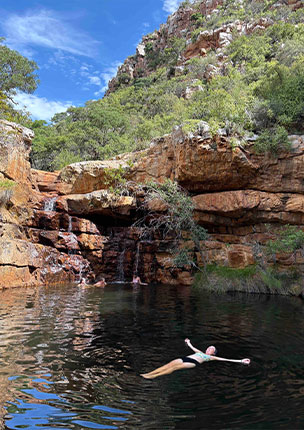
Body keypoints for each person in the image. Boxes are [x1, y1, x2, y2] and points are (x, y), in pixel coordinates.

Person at [141, 338, 250, 379]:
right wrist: (188, 342)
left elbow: (226, 360)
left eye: (212, 348)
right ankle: (149, 373)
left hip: (193, 362)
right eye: (209, 347)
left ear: (213, 352)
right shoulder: (200, 352)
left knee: (174, 368)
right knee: (168, 365)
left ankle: (154, 376)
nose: (209, 348)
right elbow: (192, 347)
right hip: (185, 358)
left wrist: (241, 361)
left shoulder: (211, 357)